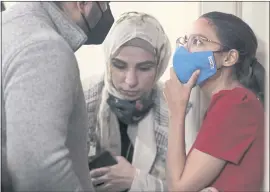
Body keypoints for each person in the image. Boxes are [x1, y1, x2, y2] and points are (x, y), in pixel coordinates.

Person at [1, 2, 114, 191]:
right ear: (83, 3)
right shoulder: (44, 47)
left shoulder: (11, 25)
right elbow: (39, 168)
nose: (105, 11)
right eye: (104, 3)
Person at [164, 11, 265, 191]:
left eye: (197, 41)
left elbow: (177, 187)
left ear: (228, 58)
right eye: (185, 41)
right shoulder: (227, 103)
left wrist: (176, 111)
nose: (185, 50)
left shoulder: (236, 104)